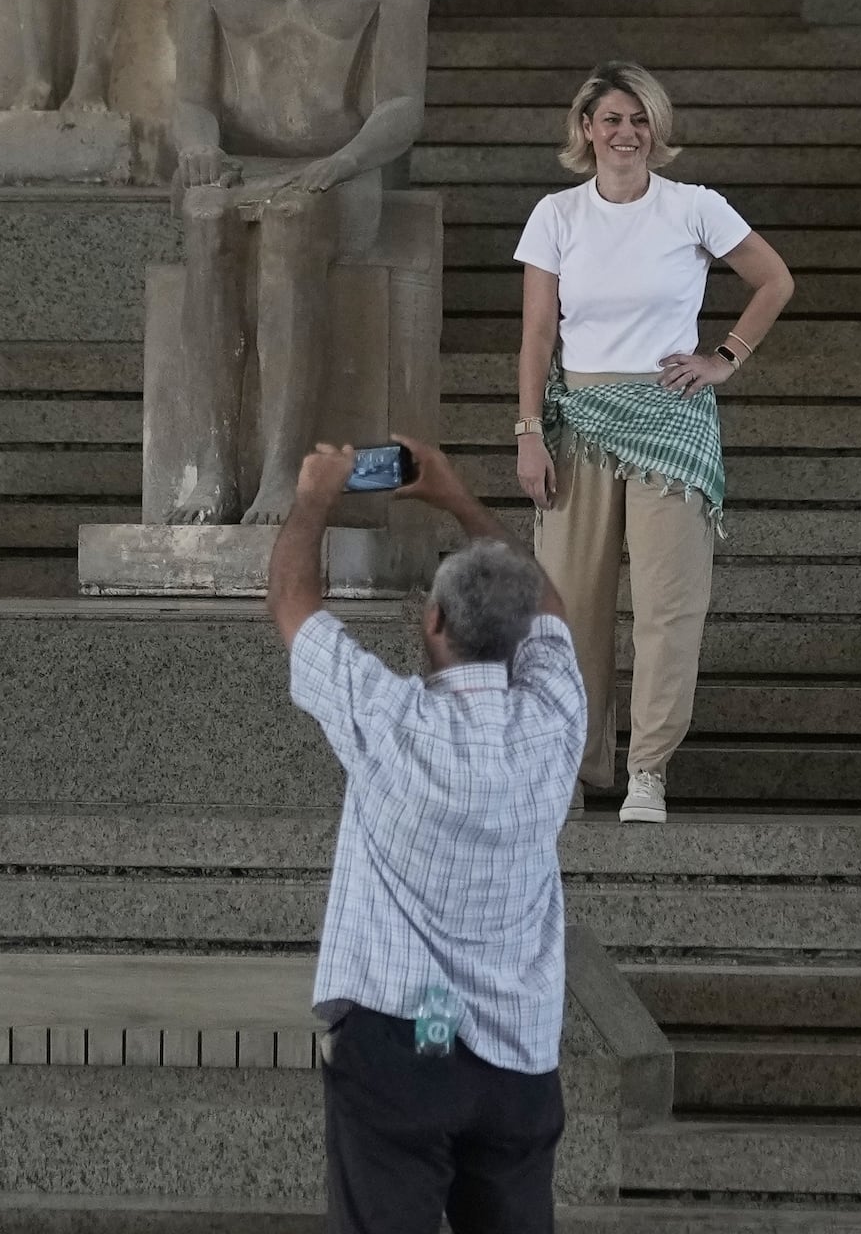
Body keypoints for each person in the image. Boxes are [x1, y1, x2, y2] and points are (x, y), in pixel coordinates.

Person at [273, 435, 585, 1232]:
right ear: (522, 639)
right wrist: (458, 497)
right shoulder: (556, 718)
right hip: (517, 1059)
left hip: (402, 1051)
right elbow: (547, 610)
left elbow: (294, 608)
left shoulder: (391, 720)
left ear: (433, 618)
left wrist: (314, 496)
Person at [513, 63, 795, 822]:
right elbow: (539, 332)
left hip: (671, 420)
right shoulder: (557, 215)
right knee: (570, 606)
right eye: (611, 119)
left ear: (656, 130)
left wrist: (724, 358)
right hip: (580, 421)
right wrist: (528, 430)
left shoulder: (693, 208)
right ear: (586, 131)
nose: (626, 133)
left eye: (639, 119)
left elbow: (774, 280)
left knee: (670, 607)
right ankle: (565, 771)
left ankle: (648, 773)